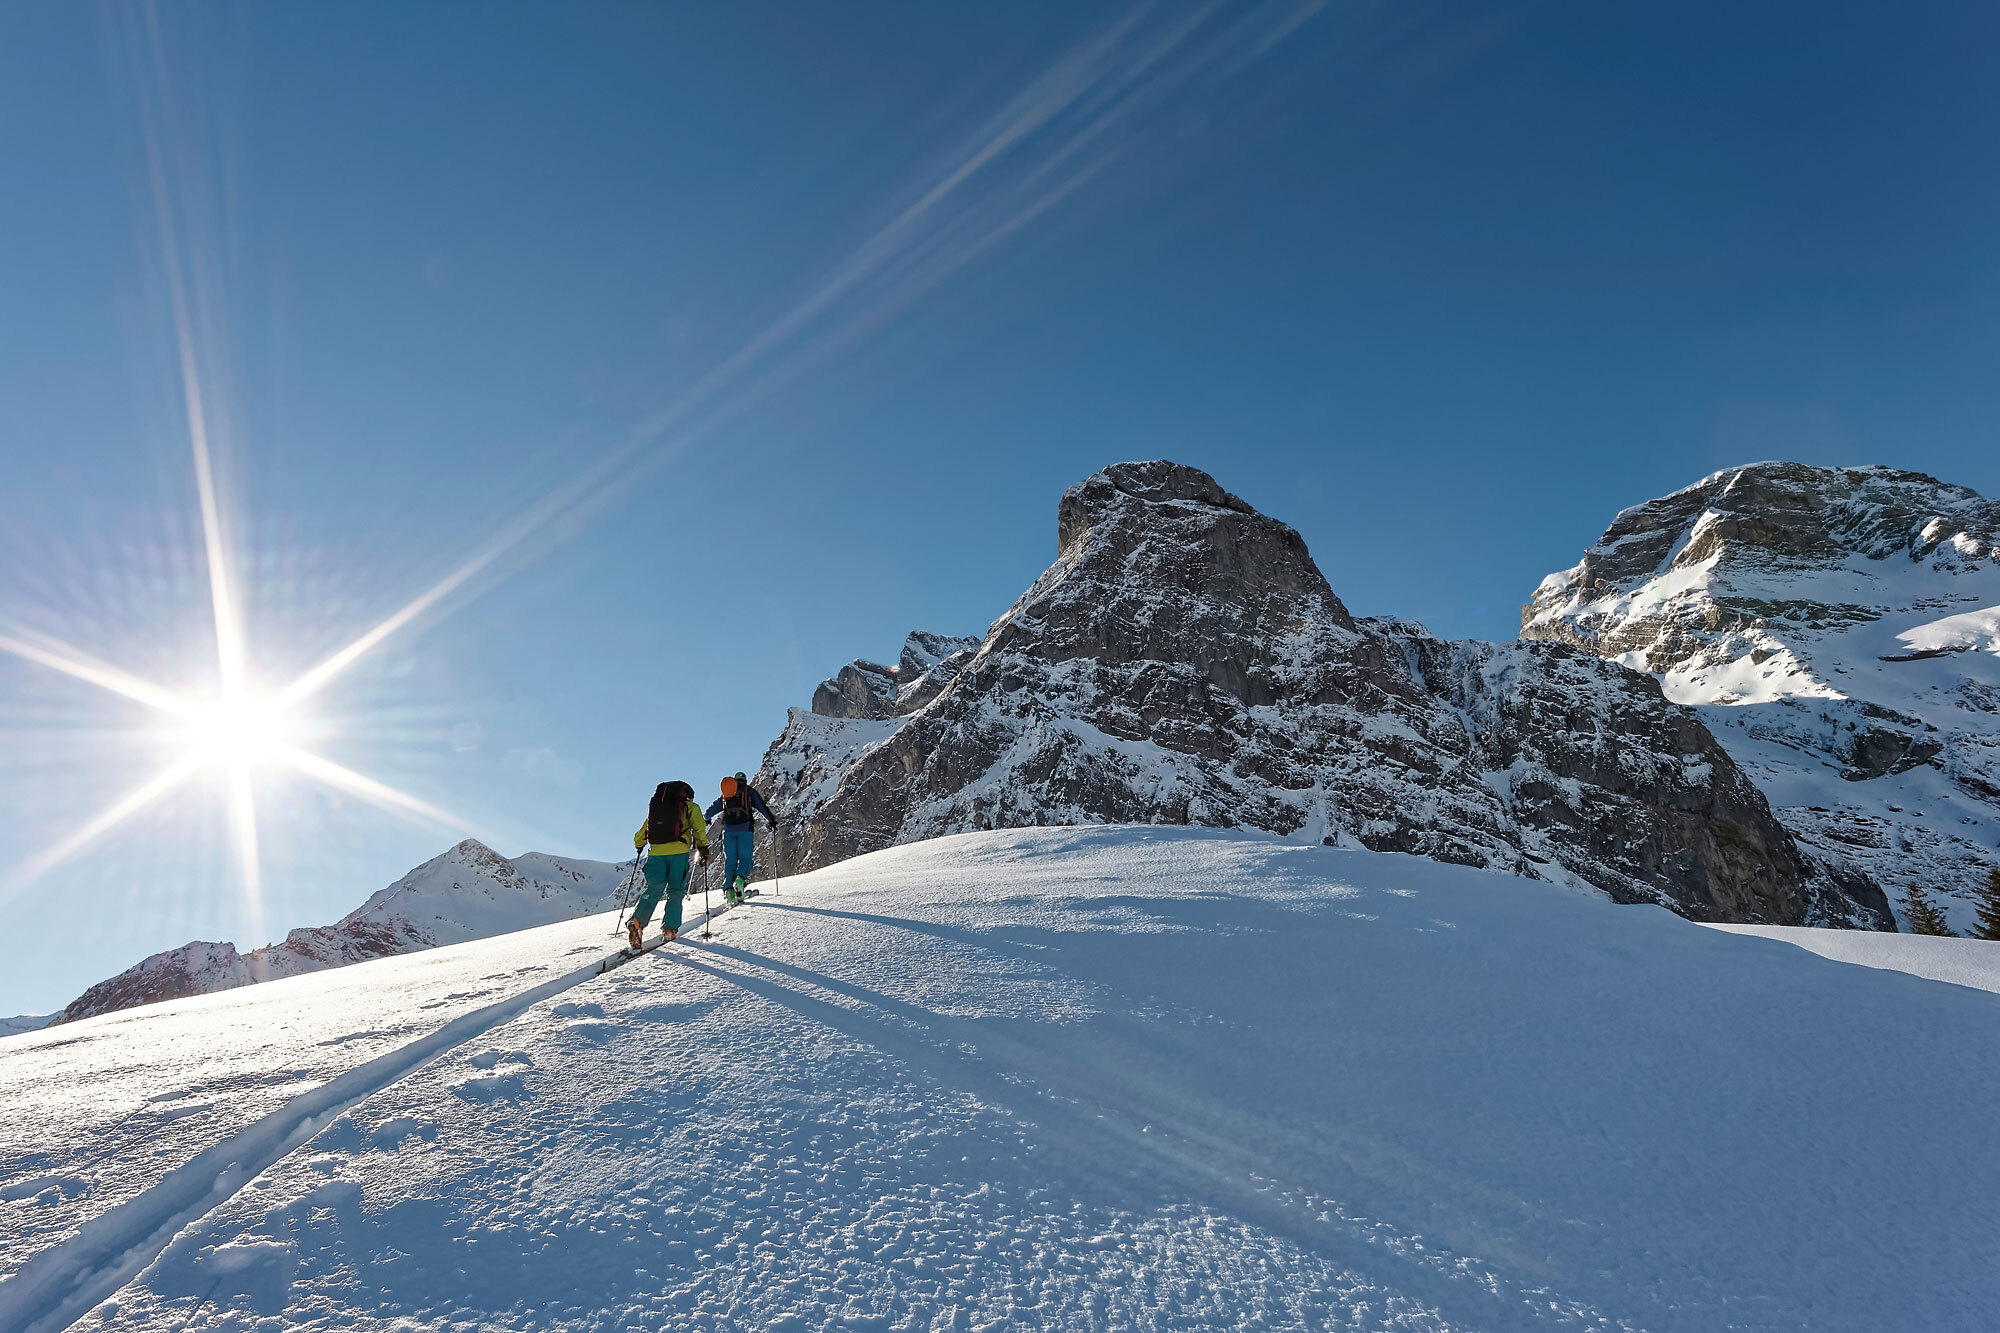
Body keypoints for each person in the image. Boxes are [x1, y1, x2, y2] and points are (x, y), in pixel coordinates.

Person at [629, 780, 709, 949]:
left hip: (656, 854)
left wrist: (639, 844)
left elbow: (641, 835)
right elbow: (699, 828)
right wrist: (703, 848)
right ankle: (669, 930)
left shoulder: (657, 809)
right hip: (678, 854)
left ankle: (637, 922)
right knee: (675, 891)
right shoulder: (689, 807)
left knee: (653, 890)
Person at [704, 771, 776, 906]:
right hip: (745, 829)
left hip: (728, 830)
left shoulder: (727, 793)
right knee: (745, 858)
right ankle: (740, 881)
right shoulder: (749, 792)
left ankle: (729, 891)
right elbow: (761, 806)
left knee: (730, 860)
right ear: (745, 780)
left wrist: (707, 818)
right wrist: (771, 820)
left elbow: (712, 810)